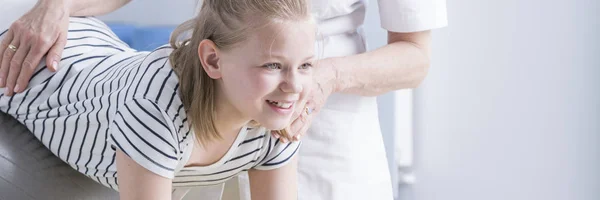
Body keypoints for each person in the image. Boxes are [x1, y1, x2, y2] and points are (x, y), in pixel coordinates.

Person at [1, 0, 448, 199]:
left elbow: (415, 56)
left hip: (325, 135)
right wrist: (58, 4)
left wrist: (319, 78)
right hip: (207, 103)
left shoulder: (285, 108)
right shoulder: (155, 107)